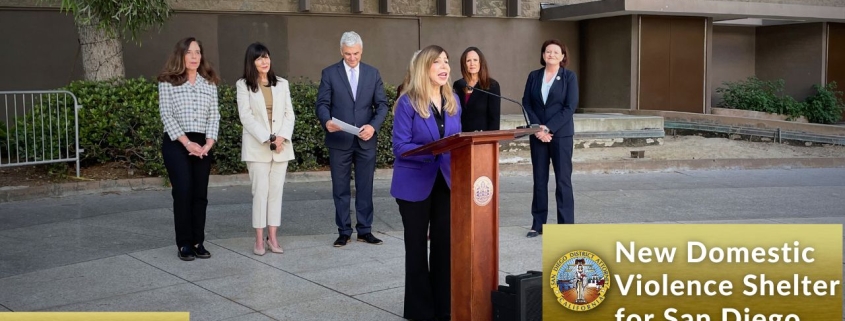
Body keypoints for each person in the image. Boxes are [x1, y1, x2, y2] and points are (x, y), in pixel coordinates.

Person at [391, 45, 461, 321]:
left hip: (446, 183)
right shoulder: (408, 102)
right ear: (424, 68)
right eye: (437, 63)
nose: (445, 67)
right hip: (414, 184)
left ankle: (444, 308)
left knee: (445, 247)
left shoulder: (453, 101)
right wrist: (433, 149)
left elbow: (459, 140)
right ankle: (420, 311)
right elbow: (400, 146)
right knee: (417, 249)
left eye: (446, 61)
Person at [315, 31, 389, 247]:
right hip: (339, 140)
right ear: (341, 51)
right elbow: (322, 104)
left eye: (356, 53)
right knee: (340, 188)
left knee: (365, 186)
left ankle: (365, 230)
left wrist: (373, 127)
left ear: (361, 51)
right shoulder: (329, 73)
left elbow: (382, 105)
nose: (352, 58)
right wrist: (326, 121)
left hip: (366, 139)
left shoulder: (372, 73)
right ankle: (344, 231)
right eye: (348, 54)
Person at [157, 37, 221, 261]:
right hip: (177, 142)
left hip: (203, 144)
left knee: (199, 194)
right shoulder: (167, 82)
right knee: (183, 191)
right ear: (181, 55)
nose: (194, 56)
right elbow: (167, 115)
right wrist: (187, 143)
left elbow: (214, 115)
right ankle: (184, 243)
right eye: (189, 52)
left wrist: (209, 143)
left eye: (198, 52)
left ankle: (197, 241)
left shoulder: (209, 83)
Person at [236, 42, 296, 256]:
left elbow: (290, 114)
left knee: (276, 193)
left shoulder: (282, 83)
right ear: (252, 62)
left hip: (281, 147)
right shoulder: (243, 85)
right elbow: (246, 117)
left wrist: (281, 137)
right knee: (260, 193)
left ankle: (274, 237)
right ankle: (259, 240)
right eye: (260, 58)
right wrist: (268, 138)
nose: (265, 61)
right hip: (257, 147)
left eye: (267, 57)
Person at [521, 39, 579, 238]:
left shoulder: (569, 77)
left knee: (563, 180)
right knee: (539, 180)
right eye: (548, 51)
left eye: (556, 52)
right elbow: (526, 103)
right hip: (537, 135)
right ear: (543, 55)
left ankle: (565, 226)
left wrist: (548, 128)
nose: (551, 54)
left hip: (560, 135)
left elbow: (570, 107)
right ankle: (538, 224)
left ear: (563, 56)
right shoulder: (534, 76)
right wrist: (538, 129)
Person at [452, 47, 501, 132]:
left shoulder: (492, 85)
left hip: (482, 138)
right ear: (464, 64)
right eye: (468, 61)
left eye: (475, 60)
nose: (472, 64)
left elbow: (494, 119)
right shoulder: (458, 85)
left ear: (481, 62)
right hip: (461, 137)